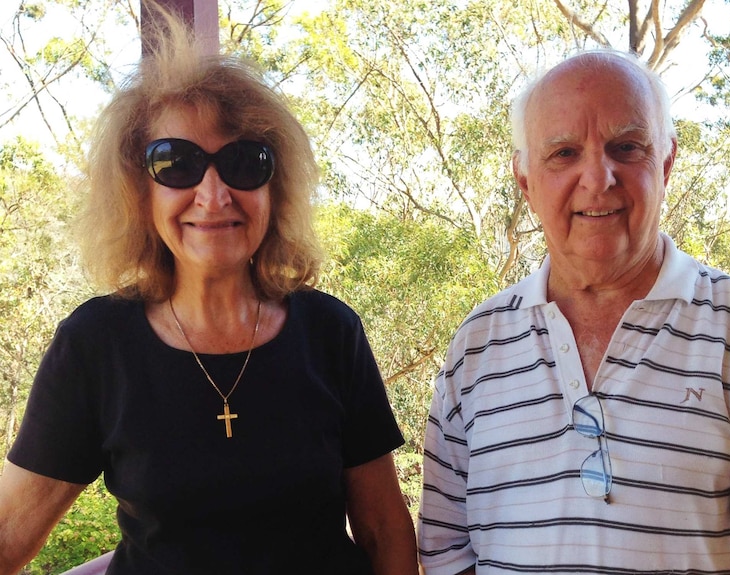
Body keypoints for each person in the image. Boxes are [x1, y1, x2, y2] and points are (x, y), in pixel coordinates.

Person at [0, 6, 418, 575]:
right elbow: (8, 534)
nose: (214, 193)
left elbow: (384, 531)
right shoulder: (97, 347)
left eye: (245, 162)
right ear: (138, 192)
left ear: (277, 187)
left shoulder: (330, 333)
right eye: (176, 163)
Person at [418, 49, 730, 575]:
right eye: (564, 152)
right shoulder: (476, 349)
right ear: (525, 181)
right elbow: (447, 553)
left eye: (626, 147)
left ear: (666, 162)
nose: (598, 177)